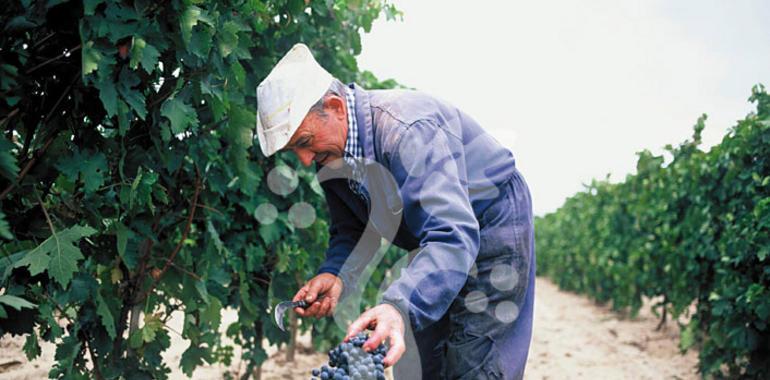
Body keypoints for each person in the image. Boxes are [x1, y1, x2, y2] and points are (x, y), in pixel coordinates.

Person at [255, 43, 536, 380]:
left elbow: (452, 233)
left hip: (490, 217)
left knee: (475, 362)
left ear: (334, 107)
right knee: (419, 362)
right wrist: (336, 273)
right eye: (293, 149)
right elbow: (352, 228)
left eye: (303, 142)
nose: (303, 159)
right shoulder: (330, 153)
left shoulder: (406, 130)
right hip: (436, 239)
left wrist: (398, 305)